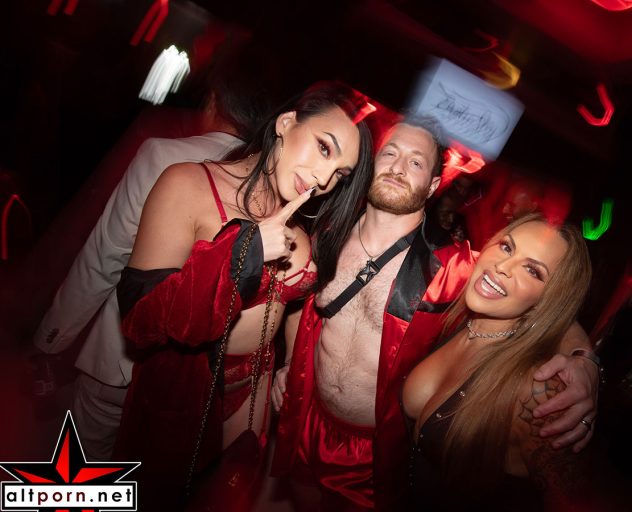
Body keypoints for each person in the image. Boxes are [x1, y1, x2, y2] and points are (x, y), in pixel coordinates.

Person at [271, 116, 600, 511]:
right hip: (307, 416)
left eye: (415, 161)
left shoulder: (454, 267)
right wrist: (290, 364)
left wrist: (584, 361)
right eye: (390, 153)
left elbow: (545, 305)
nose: (398, 167)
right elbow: (301, 306)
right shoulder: (326, 231)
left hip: (372, 454)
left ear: (432, 185)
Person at [112, 81, 374, 509]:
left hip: (254, 393)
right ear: (286, 123)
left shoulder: (301, 227)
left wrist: (290, 365)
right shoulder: (188, 185)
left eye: (340, 174)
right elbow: (140, 321)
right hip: (182, 391)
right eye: (324, 148)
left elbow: (292, 305)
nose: (325, 179)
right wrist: (245, 253)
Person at [30, 50, 274, 461]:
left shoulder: (163, 156)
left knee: (83, 467)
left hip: (123, 362)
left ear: (213, 101)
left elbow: (105, 257)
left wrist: (52, 338)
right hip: (192, 387)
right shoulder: (269, 185)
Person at [402, 213, 594, 510]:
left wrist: (586, 362)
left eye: (532, 270)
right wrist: (586, 355)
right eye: (506, 247)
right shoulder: (459, 318)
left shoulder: (539, 389)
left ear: (548, 300)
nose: (502, 266)